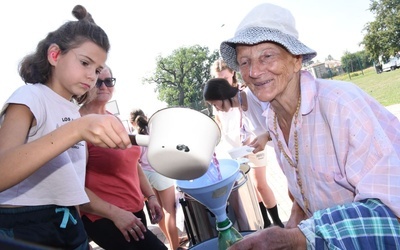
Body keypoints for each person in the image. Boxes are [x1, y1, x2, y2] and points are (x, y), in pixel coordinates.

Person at [219, 3, 400, 249]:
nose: (254, 71)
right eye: (244, 62)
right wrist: (293, 224)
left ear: (296, 60)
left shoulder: (341, 105)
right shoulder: (273, 117)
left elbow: (393, 211)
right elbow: (307, 187)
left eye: (267, 56)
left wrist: (297, 239)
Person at [0, 5, 132, 249]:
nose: (92, 76)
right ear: (54, 55)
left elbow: (69, 184)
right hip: (23, 224)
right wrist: (77, 129)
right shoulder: (30, 96)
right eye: (85, 63)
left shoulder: (73, 110)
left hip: (68, 221)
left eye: (97, 69)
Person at [79, 67, 168, 250]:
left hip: (134, 212)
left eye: (109, 81)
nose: (104, 86)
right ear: (86, 83)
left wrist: (150, 196)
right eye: (98, 81)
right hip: (106, 217)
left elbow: (133, 165)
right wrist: (116, 215)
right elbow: (73, 187)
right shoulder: (78, 124)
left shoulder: (114, 120)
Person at [209, 59, 284, 228]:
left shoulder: (244, 93)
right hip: (236, 149)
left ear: (233, 74)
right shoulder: (222, 102)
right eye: (218, 78)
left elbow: (270, 122)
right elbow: (220, 124)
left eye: (225, 78)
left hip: (254, 142)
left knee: (260, 184)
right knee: (250, 187)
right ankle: (264, 222)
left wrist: (262, 136)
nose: (222, 81)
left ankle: (278, 222)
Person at [130, 109, 188, 250]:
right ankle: (174, 247)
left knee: (158, 211)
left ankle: (171, 240)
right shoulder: (155, 134)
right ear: (146, 117)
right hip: (160, 172)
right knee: (169, 211)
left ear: (132, 122)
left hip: (145, 175)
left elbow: (135, 160)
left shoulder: (135, 138)